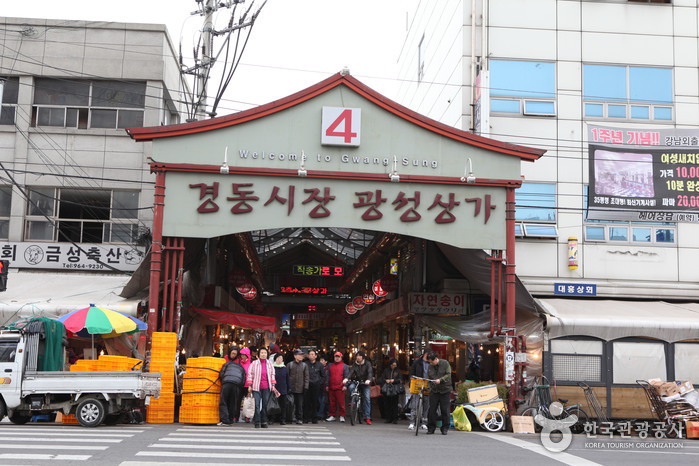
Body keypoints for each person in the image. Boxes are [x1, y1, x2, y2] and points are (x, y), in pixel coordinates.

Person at [246, 346, 276, 428]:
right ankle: (257, 421)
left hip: (267, 387)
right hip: (256, 387)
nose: (263, 354)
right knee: (257, 405)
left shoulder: (270, 364)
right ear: (258, 354)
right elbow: (250, 375)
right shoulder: (254, 363)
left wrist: (273, 386)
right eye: (262, 353)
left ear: (267, 354)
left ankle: (264, 421)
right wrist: (249, 385)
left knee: (265, 405)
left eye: (265, 353)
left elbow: (272, 375)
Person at [426, 352, 452, 435]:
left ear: (436, 359)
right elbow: (428, 378)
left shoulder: (445, 363)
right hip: (434, 391)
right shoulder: (430, 366)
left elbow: (448, 374)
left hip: (445, 390)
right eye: (429, 362)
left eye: (432, 362)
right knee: (432, 409)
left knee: (445, 410)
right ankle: (431, 428)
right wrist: (430, 387)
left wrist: (440, 380)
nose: (431, 363)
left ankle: (445, 428)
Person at [218, 347, 245, 426]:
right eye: (232, 353)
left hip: (230, 383)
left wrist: (223, 380)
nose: (233, 355)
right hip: (232, 383)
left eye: (235, 354)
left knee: (228, 401)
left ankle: (227, 419)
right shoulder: (224, 359)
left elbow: (221, 373)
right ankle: (228, 419)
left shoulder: (239, 361)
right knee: (228, 401)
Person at [346, 350, 374, 425]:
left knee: (367, 398)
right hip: (356, 381)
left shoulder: (368, 364)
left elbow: (370, 373)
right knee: (351, 387)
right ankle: (352, 401)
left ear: (363, 357)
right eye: (357, 356)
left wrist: (368, 380)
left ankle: (367, 417)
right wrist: (346, 378)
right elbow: (351, 372)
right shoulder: (355, 364)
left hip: (365, 383)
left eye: (359, 356)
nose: (357, 357)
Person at [325, 351, 350, 422]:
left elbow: (346, 376)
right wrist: (327, 385)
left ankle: (342, 415)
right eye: (336, 356)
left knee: (341, 402)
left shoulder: (344, 366)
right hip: (331, 386)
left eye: (338, 357)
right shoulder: (330, 365)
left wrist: (345, 385)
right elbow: (328, 376)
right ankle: (332, 415)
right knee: (332, 402)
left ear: (341, 357)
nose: (337, 358)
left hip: (340, 387)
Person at [408, 351, 430, 431]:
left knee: (426, 404)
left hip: (427, 384)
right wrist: (411, 382)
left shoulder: (431, 363)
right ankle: (412, 422)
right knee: (414, 404)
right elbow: (411, 373)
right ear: (425, 354)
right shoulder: (417, 363)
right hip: (418, 384)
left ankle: (424, 422)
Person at [287, 349, 309, 424]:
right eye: (299, 355)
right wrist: (288, 387)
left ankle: (299, 418)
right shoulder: (290, 364)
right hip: (291, 388)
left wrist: (306, 387)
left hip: (300, 388)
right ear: (295, 356)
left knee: (299, 404)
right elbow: (287, 376)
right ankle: (290, 418)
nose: (301, 356)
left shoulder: (304, 365)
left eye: (302, 355)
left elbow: (306, 377)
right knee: (290, 404)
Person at [304, 349, 326, 424]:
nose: (311, 356)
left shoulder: (319, 365)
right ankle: (306, 417)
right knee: (306, 402)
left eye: (313, 354)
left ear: (316, 356)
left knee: (315, 402)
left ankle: (314, 418)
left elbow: (323, 376)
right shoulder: (305, 364)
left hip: (316, 386)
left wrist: (320, 382)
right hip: (307, 385)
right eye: (310, 354)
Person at [379, 358, 403, 424]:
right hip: (387, 388)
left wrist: (394, 380)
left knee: (395, 404)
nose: (393, 366)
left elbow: (400, 379)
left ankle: (395, 418)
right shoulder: (386, 370)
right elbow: (382, 378)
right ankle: (388, 418)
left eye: (395, 365)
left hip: (395, 388)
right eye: (392, 365)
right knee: (387, 403)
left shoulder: (398, 371)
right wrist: (386, 380)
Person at [272, 353, 291, 425]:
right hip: (274, 389)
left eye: (281, 358)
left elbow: (287, 379)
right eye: (278, 358)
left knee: (283, 405)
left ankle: (283, 419)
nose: (280, 360)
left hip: (283, 389)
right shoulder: (272, 368)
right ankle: (272, 418)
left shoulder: (284, 368)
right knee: (274, 405)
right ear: (275, 359)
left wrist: (289, 388)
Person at [239, 347, 252, 422]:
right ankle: (236, 416)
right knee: (238, 401)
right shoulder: (239, 363)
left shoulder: (250, 364)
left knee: (248, 401)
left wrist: (251, 385)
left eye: (244, 355)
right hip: (240, 384)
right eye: (241, 355)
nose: (242, 356)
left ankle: (247, 416)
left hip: (247, 385)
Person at [317, 354, 329, 420]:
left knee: (323, 401)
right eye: (320, 360)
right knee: (319, 401)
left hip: (324, 387)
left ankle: (320, 414)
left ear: (326, 361)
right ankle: (323, 414)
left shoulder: (327, 369)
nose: (321, 361)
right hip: (319, 386)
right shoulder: (318, 367)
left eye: (322, 360)